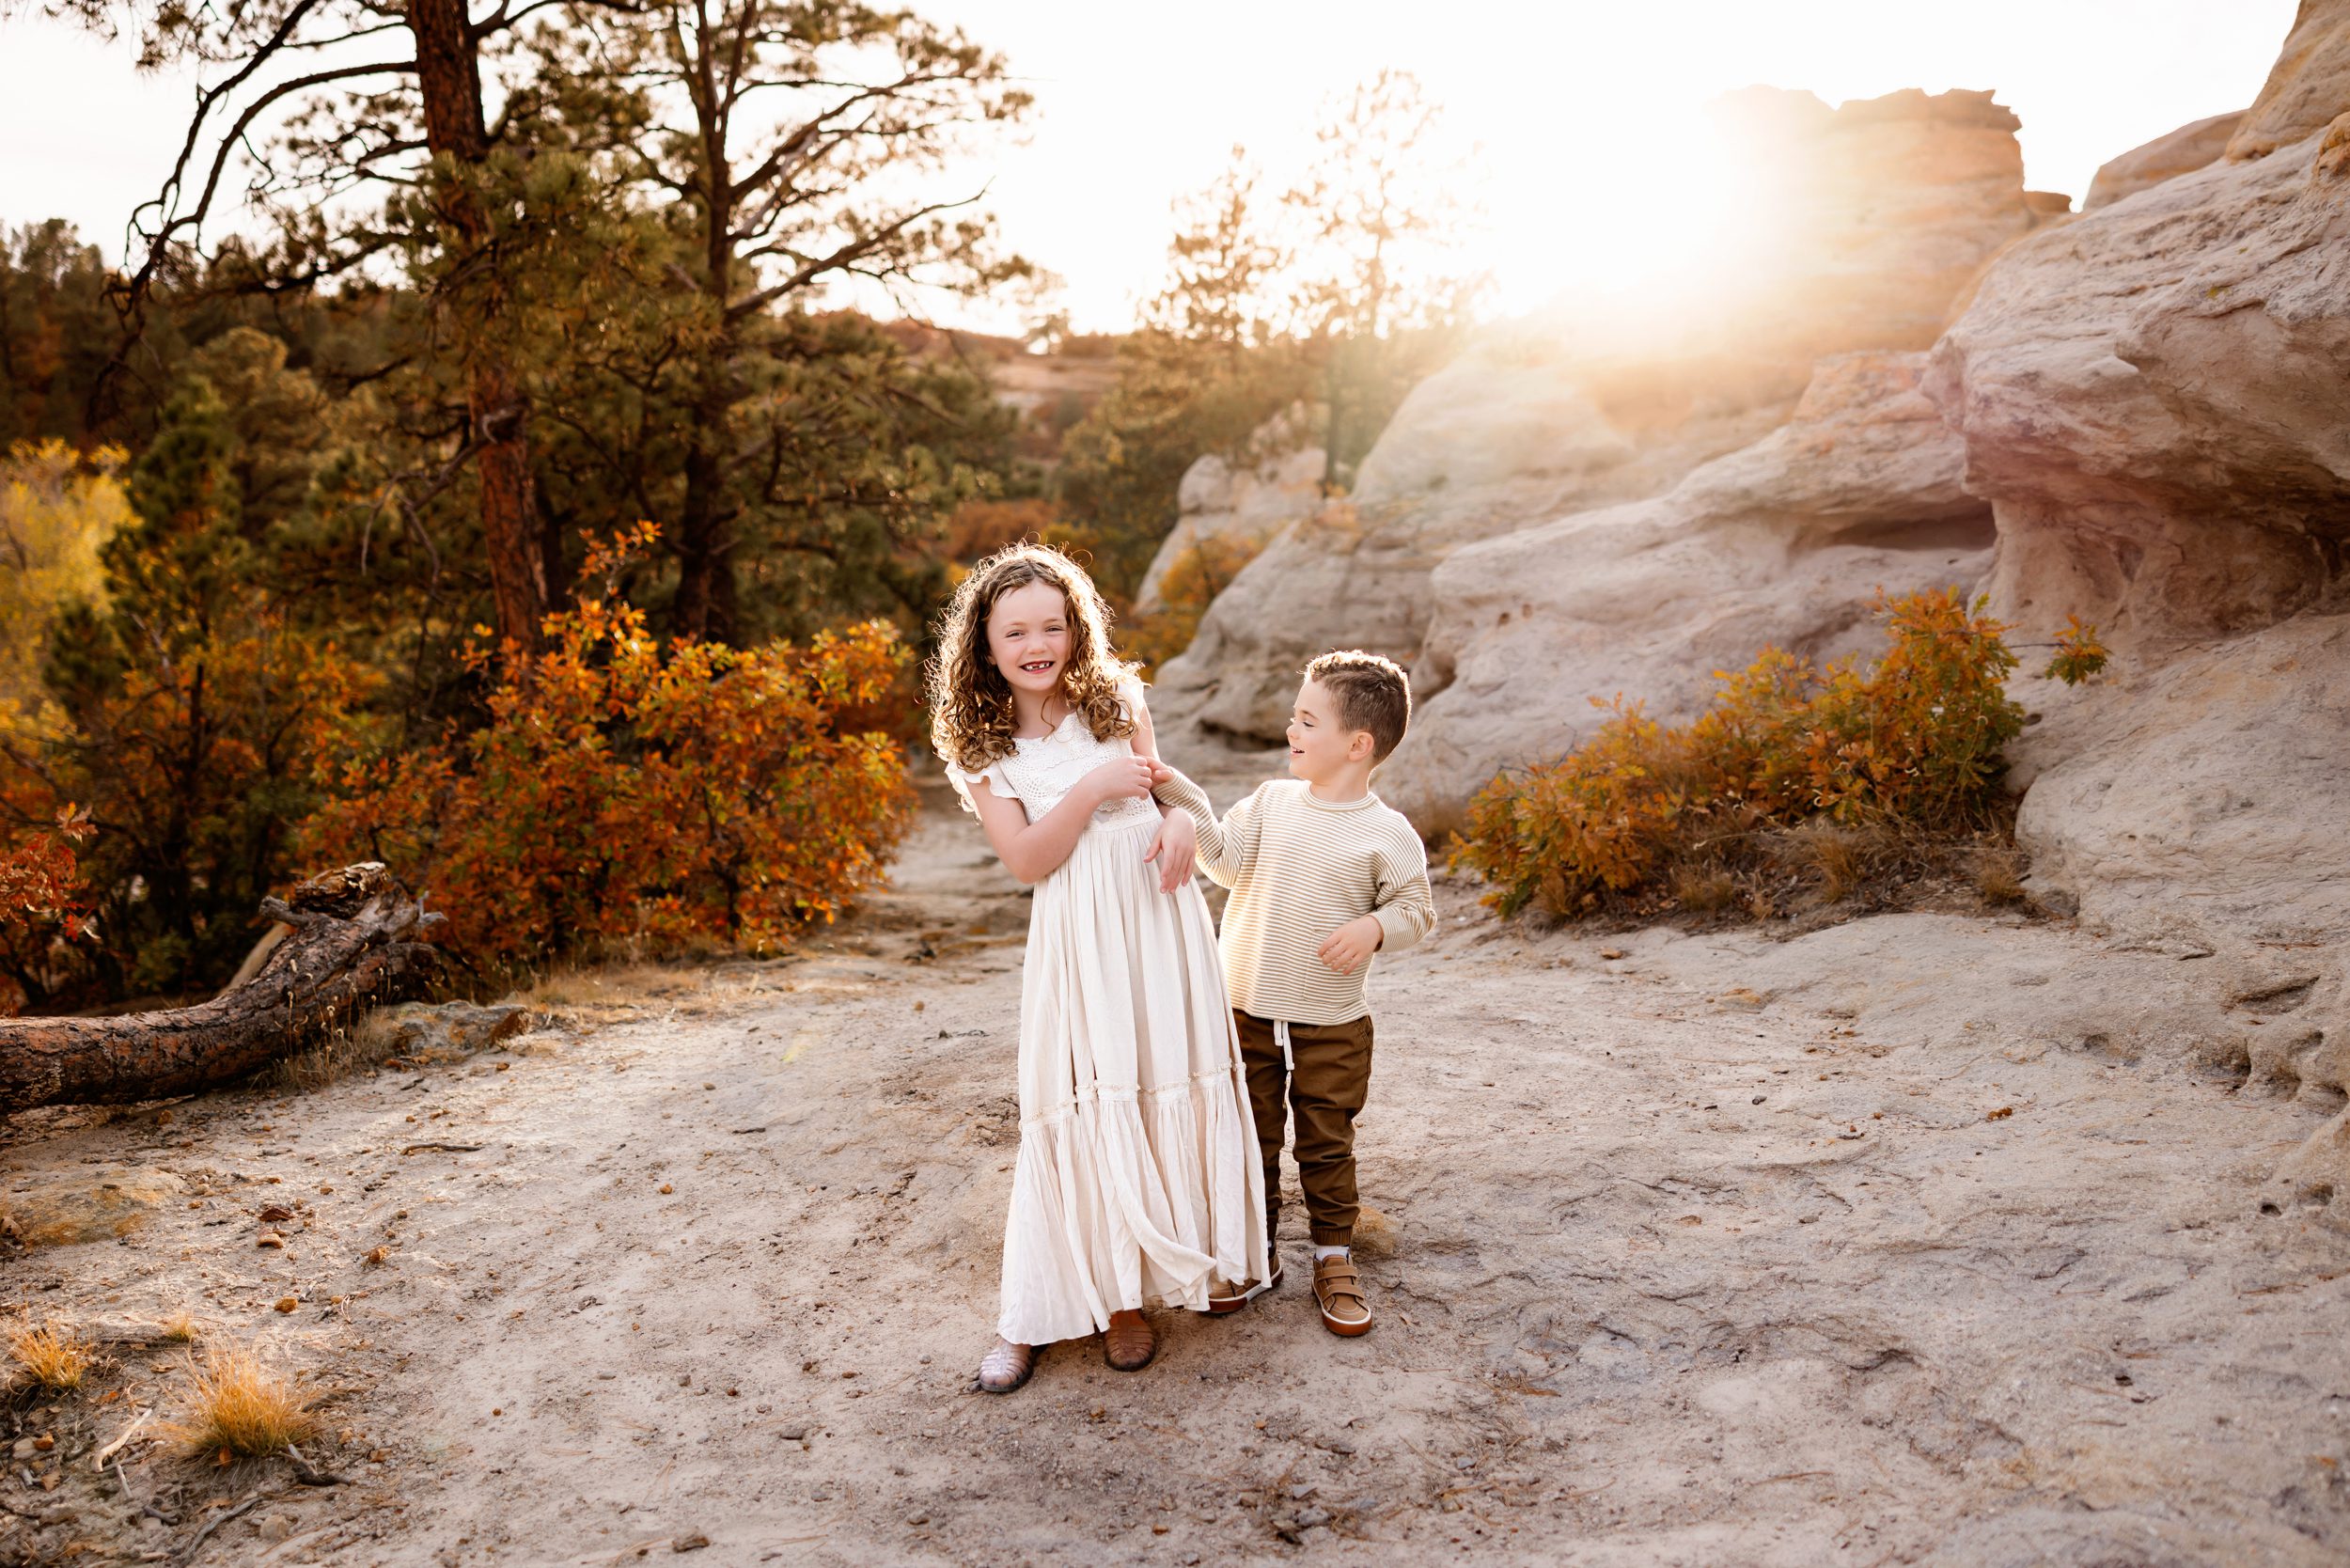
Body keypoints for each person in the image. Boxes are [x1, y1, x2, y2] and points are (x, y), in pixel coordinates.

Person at [926, 543, 1269, 1393]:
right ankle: (1038, 1311)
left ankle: (1134, 1297)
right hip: (1079, 929)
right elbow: (1028, 862)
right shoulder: (982, 743)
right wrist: (1085, 791)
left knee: (1154, 1076)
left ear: (1077, 627)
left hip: (1156, 914)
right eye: (1015, 632)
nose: (1037, 643)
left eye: (1053, 624)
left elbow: (1159, 798)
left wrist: (1183, 821)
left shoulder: (1117, 699)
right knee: (1082, 1092)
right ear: (987, 644)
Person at [1149, 651, 1434, 1336]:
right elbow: (1223, 860)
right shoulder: (1271, 803)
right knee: (1253, 1140)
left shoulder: (1386, 833)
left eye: (1308, 720)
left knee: (1326, 1142)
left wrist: (1373, 926)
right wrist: (1182, 795)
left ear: (1358, 745)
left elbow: (1418, 910)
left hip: (1332, 1022)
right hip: (1244, 1010)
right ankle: (1258, 1255)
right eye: (1293, 717)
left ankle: (1333, 1257)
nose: (1291, 730)